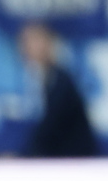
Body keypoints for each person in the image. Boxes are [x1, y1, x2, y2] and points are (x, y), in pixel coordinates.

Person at [18, 22, 100, 157]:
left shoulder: (61, 81)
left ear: (48, 43)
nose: (27, 46)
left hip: (79, 164)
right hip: (60, 161)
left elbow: (48, 129)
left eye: (34, 39)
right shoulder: (42, 78)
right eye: (24, 41)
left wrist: (19, 156)